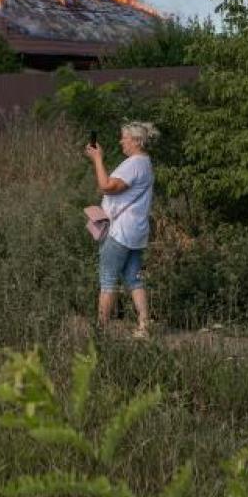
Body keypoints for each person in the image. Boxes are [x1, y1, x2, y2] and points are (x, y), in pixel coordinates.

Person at [85, 121, 159, 338]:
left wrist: (97, 159)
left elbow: (106, 186)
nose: (121, 142)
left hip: (120, 232)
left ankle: (100, 331)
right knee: (133, 278)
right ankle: (144, 326)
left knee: (108, 280)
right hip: (136, 231)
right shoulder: (146, 163)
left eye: (124, 138)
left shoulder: (133, 164)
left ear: (136, 141)